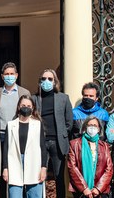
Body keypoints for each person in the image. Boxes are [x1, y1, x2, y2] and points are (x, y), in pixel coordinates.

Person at [32, 68, 73, 198]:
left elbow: (69, 121)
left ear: (55, 82)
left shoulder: (63, 98)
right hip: (40, 142)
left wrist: (61, 134)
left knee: (59, 176)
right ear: (39, 82)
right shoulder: (34, 98)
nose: (47, 81)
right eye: (44, 79)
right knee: (38, 174)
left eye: (50, 79)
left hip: (57, 143)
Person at [0, 62, 29, 198]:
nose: (9, 76)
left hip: (18, 135)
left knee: (19, 166)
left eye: (12, 74)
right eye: (7, 74)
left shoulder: (24, 92)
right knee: (4, 169)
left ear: (17, 75)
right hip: (2, 135)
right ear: (2, 76)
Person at [2, 95, 47, 198]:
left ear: (33, 108)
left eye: (28, 105)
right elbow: (6, 148)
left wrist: (43, 168)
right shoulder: (10, 125)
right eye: (23, 105)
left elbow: (42, 147)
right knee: (14, 195)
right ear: (18, 106)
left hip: (34, 164)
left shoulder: (37, 125)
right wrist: (5, 168)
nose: (26, 107)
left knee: (35, 195)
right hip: (14, 163)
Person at [67, 115, 113, 198]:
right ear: (85, 127)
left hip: (99, 192)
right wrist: (84, 188)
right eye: (90, 125)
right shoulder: (74, 144)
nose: (92, 128)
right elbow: (72, 167)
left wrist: (98, 188)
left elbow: (109, 169)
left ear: (99, 129)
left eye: (95, 126)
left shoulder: (105, 146)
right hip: (81, 191)